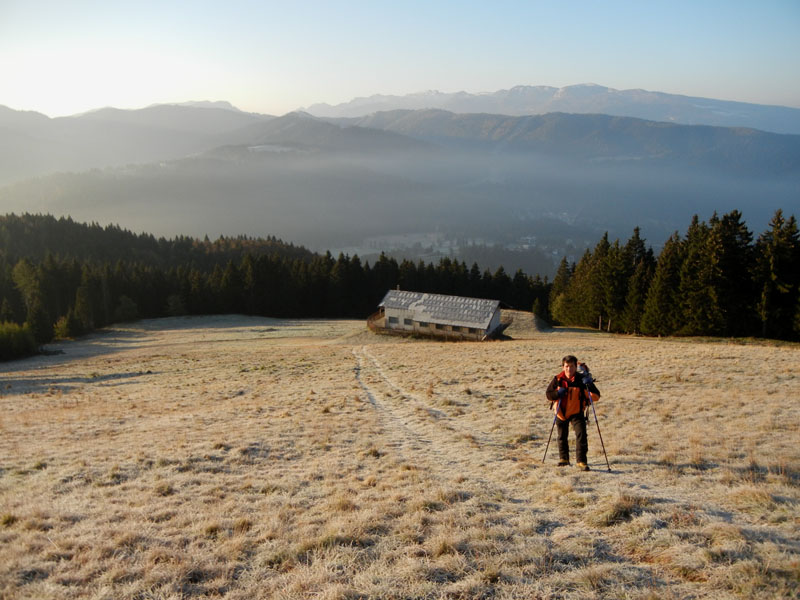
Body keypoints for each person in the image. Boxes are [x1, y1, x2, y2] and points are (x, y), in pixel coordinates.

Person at [545, 355, 600, 471]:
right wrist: (557, 394)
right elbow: (548, 394)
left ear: (575, 367)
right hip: (561, 412)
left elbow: (596, 396)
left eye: (571, 366)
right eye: (566, 366)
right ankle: (564, 459)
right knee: (562, 436)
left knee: (581, 436)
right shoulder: (558, 379)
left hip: (577, 411)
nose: (569, 369)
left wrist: (589, 384)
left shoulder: (582, 380)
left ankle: (581, 461)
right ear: (563, 366)